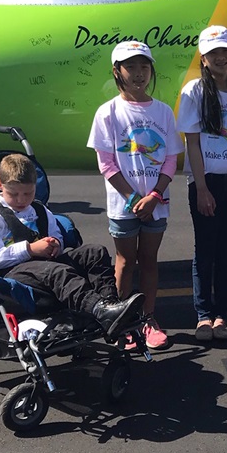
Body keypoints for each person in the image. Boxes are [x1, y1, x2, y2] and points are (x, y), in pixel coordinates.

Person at [0, 154, 144, 339]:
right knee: (56, 271)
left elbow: (56, 234)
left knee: (95, 252)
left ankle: (110, 304)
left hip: (46, 264)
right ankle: (98, 310)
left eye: (28, 193)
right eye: (13, 194)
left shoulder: (39, 210)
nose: (21, 200)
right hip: (15, 274)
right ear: (0, 185)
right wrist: (29, 249)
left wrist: (55, 244)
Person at [87, 40, 184, 349]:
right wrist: (132, 199)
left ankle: (147, 319)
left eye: (144, 67)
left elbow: (171, 158)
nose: (139, 74)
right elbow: (106, 163)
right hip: (123, 205)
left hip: (156, 204)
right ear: (117, 72)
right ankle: (120, 321)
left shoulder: (164, 111)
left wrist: (155, 195)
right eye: (131, 67)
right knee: (126, 263)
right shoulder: (108, 112)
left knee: (150, 261)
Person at [178, 25, 227, 342]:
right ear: (204, 58)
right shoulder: (194, 92)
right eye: (213, 53)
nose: (221, 57)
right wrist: (202, 188)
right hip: (205, 182)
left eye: (225, 51)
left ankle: (221, 314)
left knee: (226, 252)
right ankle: (202, 315)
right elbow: (193, 144)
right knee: (205, 252)